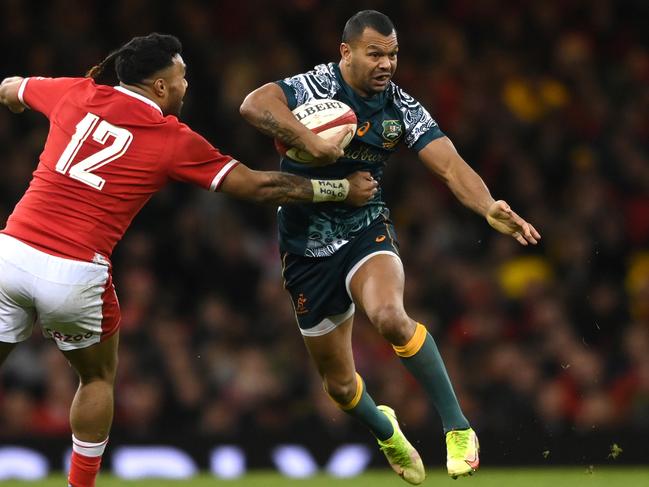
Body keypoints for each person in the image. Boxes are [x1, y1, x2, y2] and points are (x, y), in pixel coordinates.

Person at [0, 33, 377, 487]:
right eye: (182, 77)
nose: (186, 85)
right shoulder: (170, 138)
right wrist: (341, 189)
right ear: (160, 88)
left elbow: (10, 86)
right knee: (96, 378)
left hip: (12, 253)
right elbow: (258, 187)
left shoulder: (75, 92)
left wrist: (18, 99)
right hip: (76, 271)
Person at [240, 10, 541, 484]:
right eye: (375, 53)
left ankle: (458, 427)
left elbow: (449, 165)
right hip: (304, 245)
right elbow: (254, 105)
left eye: (393, 54)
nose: (386, 64)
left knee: (389, 315)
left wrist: (486, 207)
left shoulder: (400, 107)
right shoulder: (315, 87)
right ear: (347, 52)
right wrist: (309, 143)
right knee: (339, 387)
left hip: (366, 226)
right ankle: (387, 430)